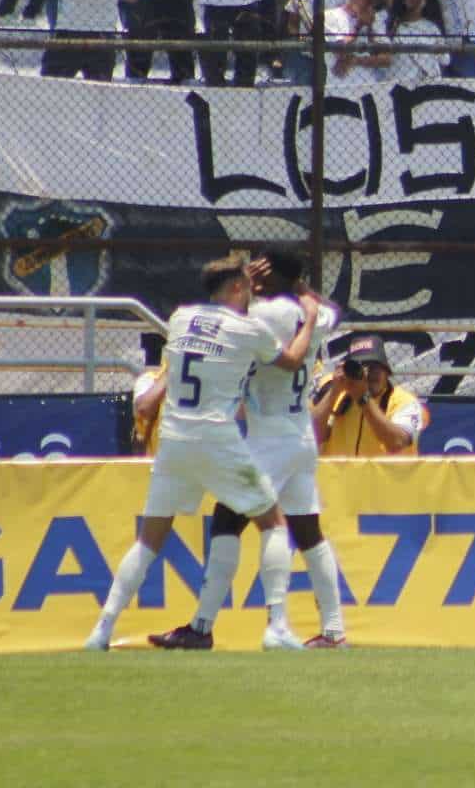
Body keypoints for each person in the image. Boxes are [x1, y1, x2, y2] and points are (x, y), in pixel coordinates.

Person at [84, 257, 322, 652]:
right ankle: (277, 625)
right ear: (234, 290)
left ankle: (102, 629)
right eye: (247, 287)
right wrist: (310, 317)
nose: (251, 294)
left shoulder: (180, 317)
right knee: (274, 523)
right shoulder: (248, 330)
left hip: (174, 442)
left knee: (148, 541)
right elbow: (293, 361)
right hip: (217, 441)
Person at [148, 250, 346, 651]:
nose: (251, 276)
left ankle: (203, 627)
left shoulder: (266, 313)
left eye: (258, 270)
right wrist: (302, 291)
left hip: (267, 436)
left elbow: (229, 317)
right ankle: (334, 631)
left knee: (226, 522)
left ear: (268, 277)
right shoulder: (309, 312)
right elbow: (331, 312)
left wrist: (247, 288)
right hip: (300, 436)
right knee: (308, 532)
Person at [313, 336, 426, 456]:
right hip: (340, 475)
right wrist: (334, 391)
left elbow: (396, 443)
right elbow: (312, 436)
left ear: (386, 371)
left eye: (375, 368)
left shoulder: (405, 402)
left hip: (385, 475)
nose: (368, 374)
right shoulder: (338, 397)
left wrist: (364, 398)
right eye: (362, 368)